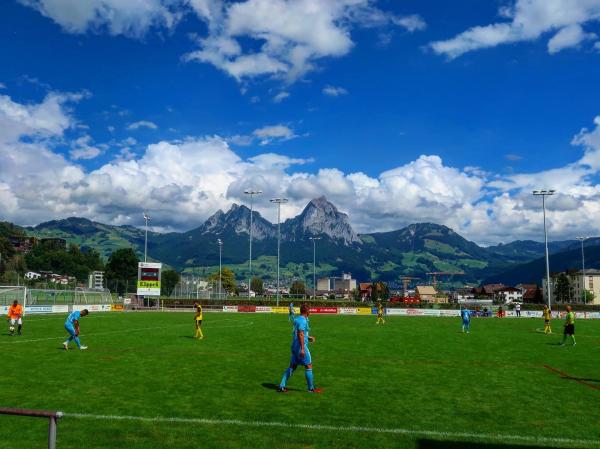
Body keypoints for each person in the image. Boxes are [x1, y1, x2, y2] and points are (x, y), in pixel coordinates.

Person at [277, 304, 321, 393]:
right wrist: (302, 348)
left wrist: (308, 337)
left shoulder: (297, 319)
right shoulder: (303, 321)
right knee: (308, 366)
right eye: (309, 310)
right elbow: (300, 333)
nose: (310, 312)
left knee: (292, 367)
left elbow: (298, 332)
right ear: (306, 311)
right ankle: (311, 389)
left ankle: (281, 386)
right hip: (300, 346)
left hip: (294, 346)